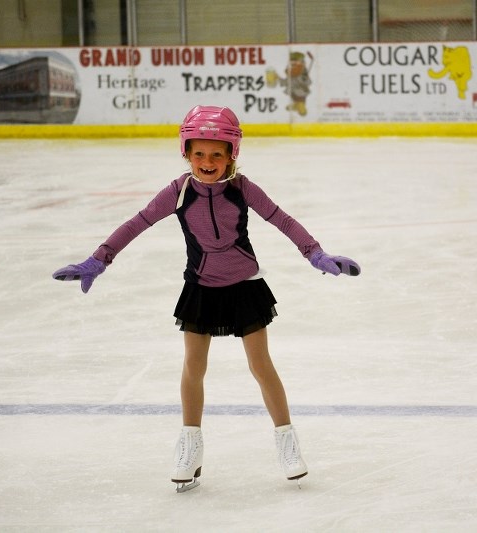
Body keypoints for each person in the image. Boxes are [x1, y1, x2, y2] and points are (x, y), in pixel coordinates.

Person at [52, 105, 360, 492]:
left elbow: (282, 219)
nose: (207, 161)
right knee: (193, 368)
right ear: (186, 152)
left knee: (261, 366)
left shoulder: (242, 188)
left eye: (216, 154)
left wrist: (314, 253)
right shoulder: (178, 192)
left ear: (232, 153)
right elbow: (137, 223)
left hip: (245, 285)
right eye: (198, 153)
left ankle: (286, 441)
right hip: (200, 286)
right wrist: (99, 260)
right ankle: (190, 445)